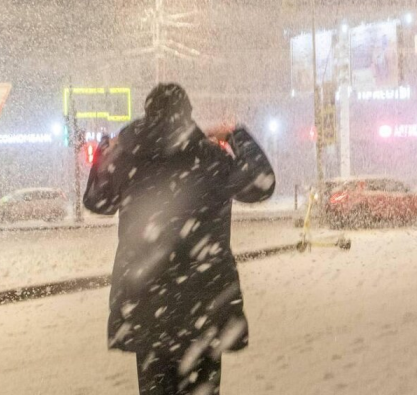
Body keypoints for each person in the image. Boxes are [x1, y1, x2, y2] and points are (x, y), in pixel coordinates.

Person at [83, 83, 276, 395]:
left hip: (147, 306)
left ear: (148, 113)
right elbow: (261, 185)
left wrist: (108, 147)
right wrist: (234, 134)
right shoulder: (210, 158)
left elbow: (96, 201)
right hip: (203, 306)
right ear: (187, 115)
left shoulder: (128, 159)